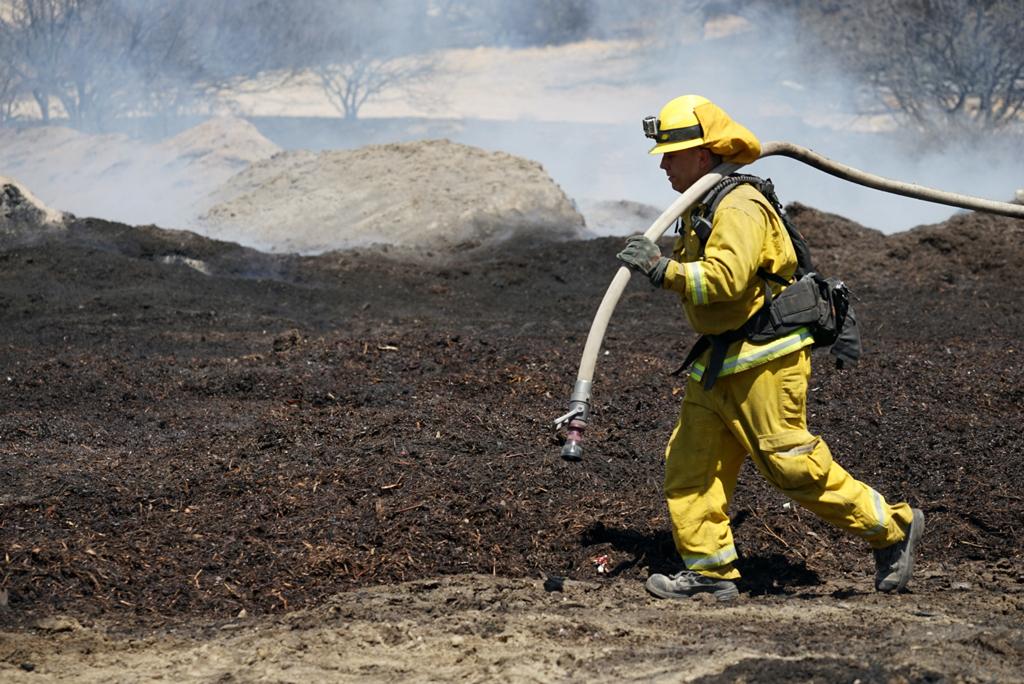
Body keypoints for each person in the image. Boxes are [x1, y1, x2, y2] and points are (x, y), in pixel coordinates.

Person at [616, 94, 923, 602]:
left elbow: (725, 282)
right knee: (691, 467)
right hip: (720, 363)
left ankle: (893, 528)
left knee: (792, 467)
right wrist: (665, 268)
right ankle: (711, 572)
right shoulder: (701, 206)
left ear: (703, 153)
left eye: (673, 155)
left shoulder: (738, 205)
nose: (665, 166)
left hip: (765, 359)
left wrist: (660, 270)